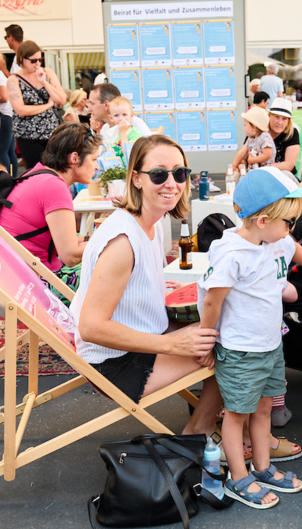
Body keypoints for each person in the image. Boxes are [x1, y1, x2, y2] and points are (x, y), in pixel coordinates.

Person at [198, 167, 302, 508]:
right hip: (241, 350)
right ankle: (238, 476)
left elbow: (293, 246)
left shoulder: (275, 239)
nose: (292, 229)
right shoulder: (233, 254)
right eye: (289, 221)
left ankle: (261, 466)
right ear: (262, 221)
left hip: (270, 345)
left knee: (264, 407)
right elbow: (213, 299)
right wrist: (206, 339)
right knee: (236, 415)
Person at [72, 135, 223, 438]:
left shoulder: (148, 224)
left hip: (135, 344)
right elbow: (90, 328)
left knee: (223, 329)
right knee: (236, 349)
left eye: (180, 173)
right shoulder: (123, 241)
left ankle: (230, 426)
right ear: (137, 179)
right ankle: (201, 430)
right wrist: (173, 344)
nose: (172, 183)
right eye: (159, 174)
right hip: (115, 363)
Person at [0, 123, 99, 299]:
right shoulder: (55, 186)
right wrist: (106, 241)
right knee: (115, 267)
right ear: (74, 158)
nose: (97, 166)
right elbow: (69, 255)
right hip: (35, 285)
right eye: (94, 159)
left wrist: (93, 239)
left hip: (12, 279)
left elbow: (58, 240)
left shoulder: (38, 173)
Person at [7, 40, 67, 171]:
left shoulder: (47, 72)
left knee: (56, 169)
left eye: (40, 60)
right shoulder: (13, 80)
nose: (37, 64)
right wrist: (48, 105)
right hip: (28, 134)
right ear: (22, 59)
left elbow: (62, 99)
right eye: (33, 61)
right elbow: (21, 110)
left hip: (51, 131)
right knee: (36, 171)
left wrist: (44, 82)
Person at [268, 98, 300, 177]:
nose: (279, 122)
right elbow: (244, 156)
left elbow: (289, 165)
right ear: (269, 116)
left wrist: (264, 169)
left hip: (284, 177)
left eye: (284, 118)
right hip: (257, 176)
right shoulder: (259, 130)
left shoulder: (292, 133)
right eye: (276, 117)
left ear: (288, 121)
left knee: (286, 174)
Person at [107, 96, 142, 164]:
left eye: (124, 114)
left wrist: (123, 132)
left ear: (131, 116)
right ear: (111, 118)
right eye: (116, 115)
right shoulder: (113, 133)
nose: (121, 118)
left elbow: (128, 154)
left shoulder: (135, 134)